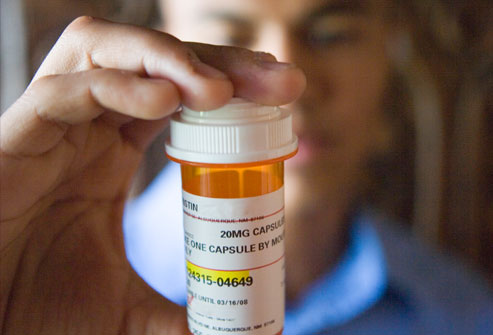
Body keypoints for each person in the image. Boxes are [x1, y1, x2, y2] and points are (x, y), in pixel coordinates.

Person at [0, 1, 492, 335]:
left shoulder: (465, 314)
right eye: (228, 37)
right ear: (159, 41)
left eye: (333, 34)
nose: (288, 84)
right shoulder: (34, 272)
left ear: (391, 51)